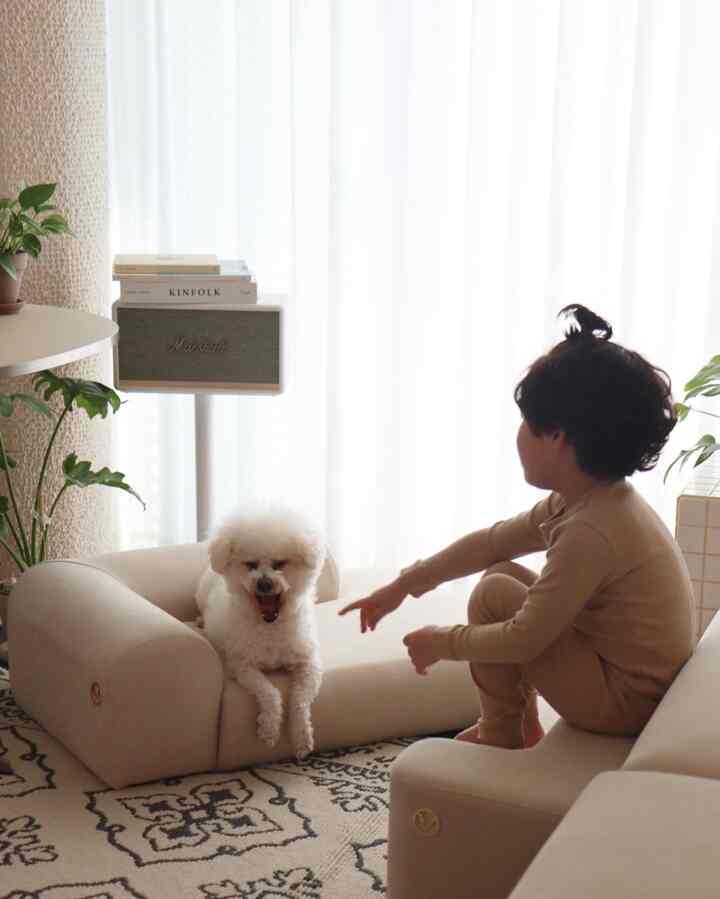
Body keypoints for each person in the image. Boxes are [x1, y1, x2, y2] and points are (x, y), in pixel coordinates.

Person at [339, 304, 695, 750]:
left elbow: (526, 637)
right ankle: (514, 723)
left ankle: (503, 730)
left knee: (495, 596)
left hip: (626, 703)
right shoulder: (591, 500)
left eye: (527, 423)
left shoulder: (592, 531)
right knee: (499, 574)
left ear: (557, 437)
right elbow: (491, 543)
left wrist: (441, 643)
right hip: (621, 678)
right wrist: (404, 585)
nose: (518, 436)